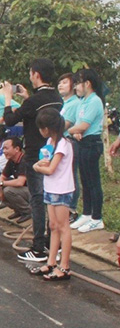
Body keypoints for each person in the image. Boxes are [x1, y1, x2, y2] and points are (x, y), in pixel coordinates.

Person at [3, 58, 63, 262]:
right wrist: (26, 97)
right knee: (52, 199)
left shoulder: (33, 101)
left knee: (37, 199)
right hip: (54, 153)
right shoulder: (56, 98)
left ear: (36, 75)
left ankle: (38, 247)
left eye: (30, 73)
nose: (30, 76)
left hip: (35, 156)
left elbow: (10, 120)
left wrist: (8, 99)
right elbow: (36, 112)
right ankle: (53, 243)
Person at [30, 108, 75, 281]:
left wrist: (36, 167)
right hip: (51, 188)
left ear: (48, 128)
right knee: (54, 226)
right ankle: (51, 262)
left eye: (42, 127)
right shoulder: (51, 141)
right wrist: (41, 163)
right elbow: (47, 162)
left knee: (63, 227)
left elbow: (50, 169)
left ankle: (64, 266)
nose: (41, 131)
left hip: (62, 189)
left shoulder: (63, 144)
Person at [67, 69, 105, 233]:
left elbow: (83, 126)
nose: (75, 87)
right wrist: (75, 132)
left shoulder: (95, 101)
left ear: (87, 84)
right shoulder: (83, 101)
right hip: (82, 142)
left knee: (93, 181)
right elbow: (78, 125)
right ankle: (87, 213)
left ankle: (97, 218)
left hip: (91, 143)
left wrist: (72, 131)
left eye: (77, 83)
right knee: (85, 180)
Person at [0, 137, 31, 223]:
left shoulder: (24, 160)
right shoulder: (11, 161)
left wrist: (1, 184)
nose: (4, 151)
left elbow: (20, 182)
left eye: (6, 148)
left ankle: (27, 211)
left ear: (17, 149)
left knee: (8, 190)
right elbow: (3, 176)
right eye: (3, 148)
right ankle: (18, 210)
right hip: (22, 191)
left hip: (32, 191)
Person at [58, 73, 80, 220]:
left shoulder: (74, 103)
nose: (60, 85)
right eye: (59, 82)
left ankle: (71, 208)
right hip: (61, 142)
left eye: (65, 82)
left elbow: (65, 125)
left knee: (71, 175)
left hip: (70, 142)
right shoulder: (62, 103)